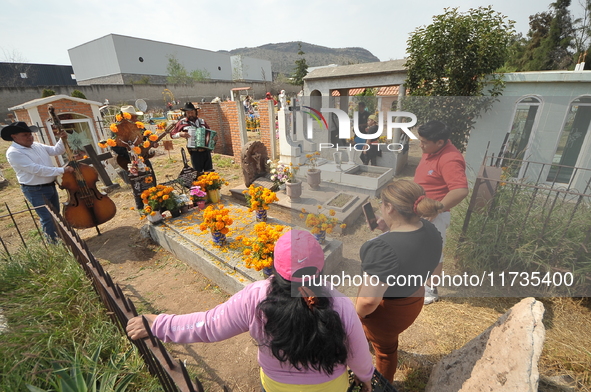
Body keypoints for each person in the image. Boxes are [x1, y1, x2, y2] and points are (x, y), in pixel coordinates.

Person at [127, 230, 374, 391]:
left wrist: (158, 324)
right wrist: (366, 380)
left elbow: (209, 326)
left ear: (275, 266)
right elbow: (359, 357)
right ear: (319, 268)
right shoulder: (340, 304)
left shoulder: (255, 297)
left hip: (277, 386)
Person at [355, 179, 444, 382]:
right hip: (414, 300)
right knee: (385, 342)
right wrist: (389, 230)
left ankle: (382, 385)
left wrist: (355, 316)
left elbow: (368, 301)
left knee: (386, 350)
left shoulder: (382, 249)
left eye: (382, 203)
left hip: (387, 314)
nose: (380, 207)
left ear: (390, 207)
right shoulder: (431, 230)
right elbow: (410, 253)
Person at [413, 120, 469, 304]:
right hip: (421, 212)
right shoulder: (430, 150)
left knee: (434, 253)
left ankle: (430, 290)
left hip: (435, 215)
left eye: (424, 142)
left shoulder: (450, 159)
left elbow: (460, 190)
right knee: (419, 250)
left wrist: (438, 208)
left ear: (440, 142)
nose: (420, 145)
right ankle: (418, 283)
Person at [3, 121, 75, 241]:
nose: (29, 137)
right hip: (34, 189)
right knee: (47, 217)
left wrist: (62, 139)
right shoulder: (14, 153)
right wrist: (62, 170)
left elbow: (56, 151)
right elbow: (36, 170)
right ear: (14, 137)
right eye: (25, 135)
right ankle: (54, 244)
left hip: (50, 185)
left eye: (30, 134)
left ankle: (62, 239)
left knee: (56, 214)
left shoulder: (36, 145)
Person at [110, 105, 158, 210]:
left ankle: (154, 205)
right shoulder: (116, 129)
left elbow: (147, 137)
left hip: (143, 158)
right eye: (133, 117)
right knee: (136, 183)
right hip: (129, 160)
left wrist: (152, 143)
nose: (135, 119)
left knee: (151, 180)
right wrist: (130, 152)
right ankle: (140, 207)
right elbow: (114, 146)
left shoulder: (138, 126)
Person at [170, 102, 213, 173]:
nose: (190, 114)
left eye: (192, 112)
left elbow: (209, 132)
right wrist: (180, 134)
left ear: (195, 112)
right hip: (195, 152)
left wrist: (212, 138)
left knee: (209, 172)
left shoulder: (202, 121)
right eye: (188, 113)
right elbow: (172, 134)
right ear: (185, 113)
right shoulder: (182, 122)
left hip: (206, 151)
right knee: (197, 173)